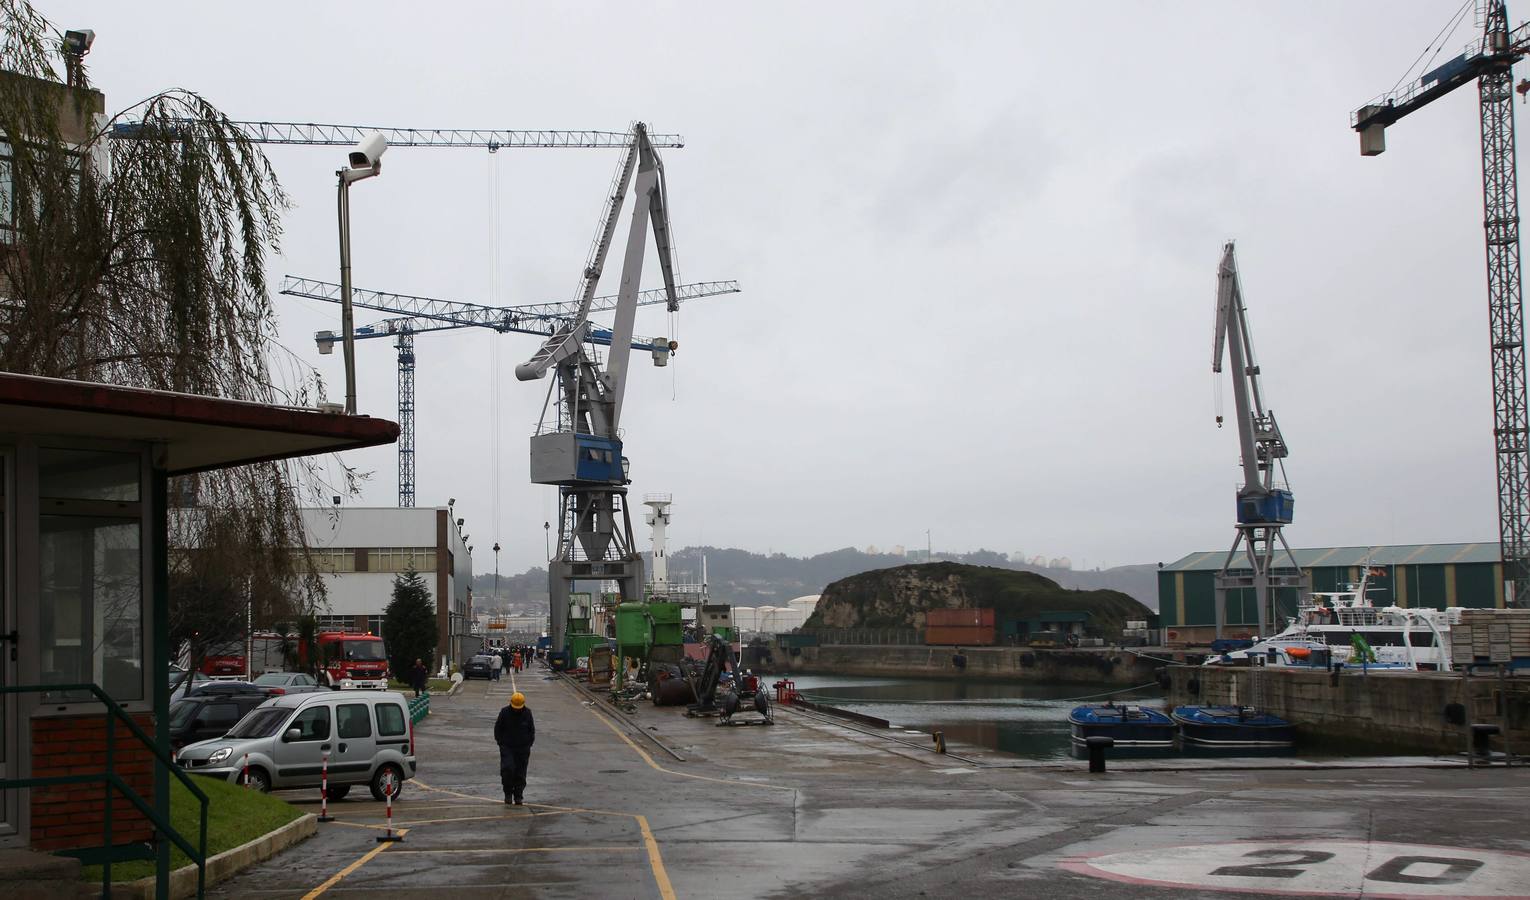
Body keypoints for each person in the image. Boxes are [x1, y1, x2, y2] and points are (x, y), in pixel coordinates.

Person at [494, 691, 535, 805]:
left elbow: (531, 730)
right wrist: (501, 743)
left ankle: (518, 796)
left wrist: (528, 744)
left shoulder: (527, 713)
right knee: (507, 769)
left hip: (523, 748)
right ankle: (508, 793)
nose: (517, 709)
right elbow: (498, 729)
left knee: (520, 773)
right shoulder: (505, 712)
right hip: (507, 747)